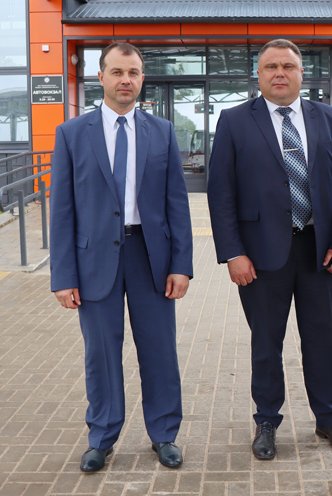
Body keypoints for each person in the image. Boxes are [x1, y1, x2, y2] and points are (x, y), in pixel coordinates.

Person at [207, 39, 332, 460]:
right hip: (259, 257)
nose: (279, 73)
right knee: (266, 344)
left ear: (301, 73)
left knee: (323, 341)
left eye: (288, 66)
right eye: (271, 66)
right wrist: (233, 253)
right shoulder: (234, 121)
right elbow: (221, 193)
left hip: (319, 252)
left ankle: (329, 418)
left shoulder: (330, 118)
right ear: (258, 75)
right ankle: (267, 422)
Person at [50, 42, 193, 472]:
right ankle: (102, 436)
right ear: (101, 77)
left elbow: (177, 203)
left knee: (160, 351)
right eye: (117, 72)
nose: (125, 80)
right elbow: (62, 210)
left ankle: (164, 434)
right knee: (101, 354)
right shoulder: (72, 133)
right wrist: (63, 275)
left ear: (142, 78)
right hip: (94, 262)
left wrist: (181, 265)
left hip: (151, 258)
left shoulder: (161, 132)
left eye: (132, 72)